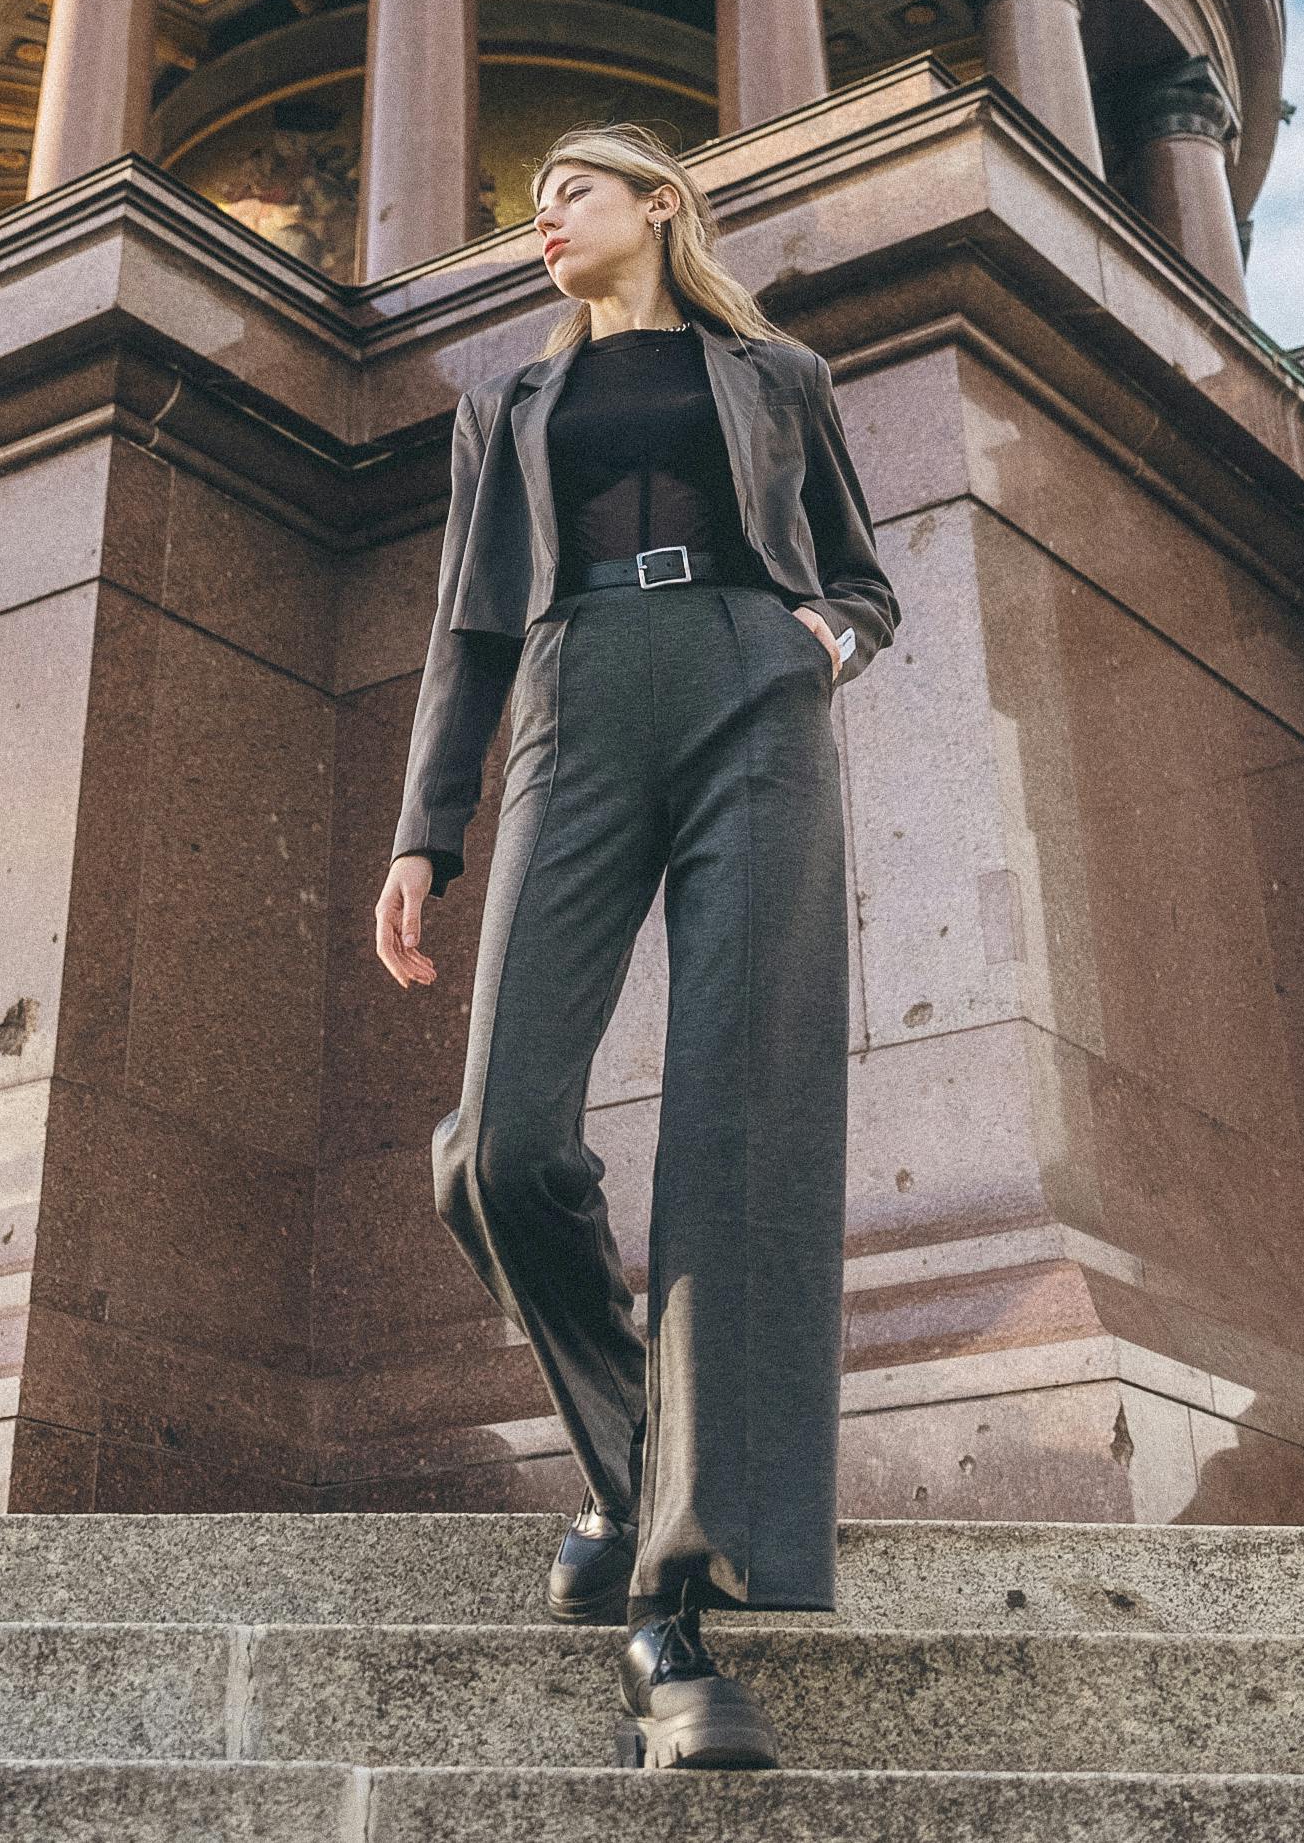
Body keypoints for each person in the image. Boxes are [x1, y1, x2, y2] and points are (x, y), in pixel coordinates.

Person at [377, 121, 898, 1774]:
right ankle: (628, 1467)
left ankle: (671, 1607)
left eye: (569, 197)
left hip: (752, 686)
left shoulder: (778, 372)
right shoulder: (504, 405)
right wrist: (421, 830)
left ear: (656, 207)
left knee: (735, 1130)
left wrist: (827, 638)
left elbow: (866, 574)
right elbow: (465, 624)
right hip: (572, 698)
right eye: (532, 208)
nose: (540, 224)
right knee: (501, 1148)